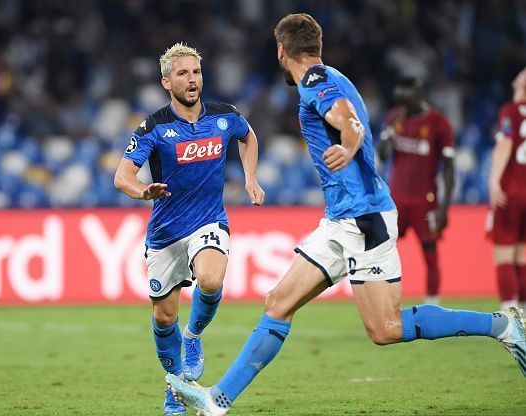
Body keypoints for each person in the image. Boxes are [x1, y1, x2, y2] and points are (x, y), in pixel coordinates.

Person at [166, 14, 526, 416]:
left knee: (385, 329)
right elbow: (347, 117)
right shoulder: (333, 75)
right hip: (340, 219)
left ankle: (504, 327)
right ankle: (218, 401)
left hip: (365, 219)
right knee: (277, 303)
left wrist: (350, 144)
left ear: (283, 51)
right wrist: (351, 141)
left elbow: (347, 121)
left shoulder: (314, 82)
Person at [114, 43, 265, 415]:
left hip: (208, 221)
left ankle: (194, 336)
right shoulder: (153, 127)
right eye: (182, 74)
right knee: (163, 317)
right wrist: (143, 191)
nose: (192, 79)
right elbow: (122, 177)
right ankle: (176, 386)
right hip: (166, 232)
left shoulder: (224, 116)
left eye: (195, 71)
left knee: (211, 280)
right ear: (167, 82)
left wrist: (250, 179)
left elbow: (248, 137)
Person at [378, 77, 455, 305]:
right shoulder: (395, 117)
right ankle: (384, 299)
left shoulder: (438, 123)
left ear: (418, 95)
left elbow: (449, 169)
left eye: (405, 100)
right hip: (397, 201)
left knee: (430, 253)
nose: (402, 105)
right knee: (384, 250)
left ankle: (432, 304)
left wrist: (444, 208)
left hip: (425, 201)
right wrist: (389, 130)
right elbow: (383, 155)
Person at [488, 68, 526, 312]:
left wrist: (494, 179)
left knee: (503, 255)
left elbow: (505, 144)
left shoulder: (510, 112)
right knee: (522, 256)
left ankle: (510, 312)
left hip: (512, 192)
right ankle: (522, 309)